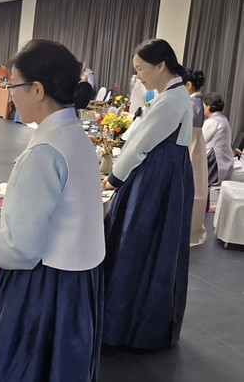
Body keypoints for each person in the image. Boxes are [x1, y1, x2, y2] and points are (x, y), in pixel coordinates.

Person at [0, 40, 105, 381]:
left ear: (37, 89)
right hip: (77, 279)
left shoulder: (44, 151)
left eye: (13, 85)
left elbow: (21, 248)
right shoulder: (75, 135)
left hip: (42, 286)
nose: (10, 94)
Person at [102, 38, 193, 350]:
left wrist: (114, 178)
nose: (138, 75)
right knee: (153, 247)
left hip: (156, 177)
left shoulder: (171, 100)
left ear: (161, 65)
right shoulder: (174, 95)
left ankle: (122, 326)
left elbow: (140, 146)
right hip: (166, 174)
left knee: (134, 243)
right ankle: (135, 324)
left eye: (140, 69)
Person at [184, 70, 208, 246]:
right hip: (197, 144)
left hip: (191, 143)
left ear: (188, 85)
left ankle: (188, 229)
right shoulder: (199, 101)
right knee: (198, 185)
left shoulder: (191, 103)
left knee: (190, 186)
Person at [202, 93, 235, 186]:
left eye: (204, 106)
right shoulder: (223, 118)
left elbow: (201, 140)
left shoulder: (213, 121)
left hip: (215, 159)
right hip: (224, 158)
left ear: (209, 107)